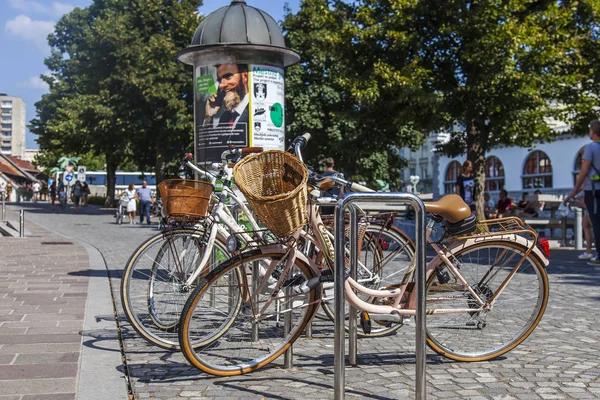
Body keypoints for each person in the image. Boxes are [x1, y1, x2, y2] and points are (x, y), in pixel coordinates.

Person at [564, 119, 600, 265]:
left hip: (594, 192)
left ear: (592, 132)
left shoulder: (591, 147)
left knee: (596, 223)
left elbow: (584, 172)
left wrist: (573, 192)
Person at [203, 64, 249, 131]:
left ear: (245, 76)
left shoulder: (255, 111)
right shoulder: (225, 117)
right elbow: (212, 141)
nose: (222, 85)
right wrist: (209, 117)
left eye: (228, 77)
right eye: (219, 80)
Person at [575, 195, 596, 260]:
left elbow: (582, 185)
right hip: (588, 196)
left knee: (595, 225)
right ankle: (588, 251)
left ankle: (597, 253)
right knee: (585, 224)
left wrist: (573, 193)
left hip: (592, 196)